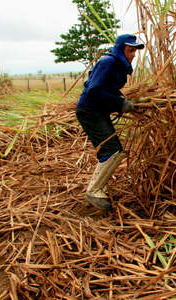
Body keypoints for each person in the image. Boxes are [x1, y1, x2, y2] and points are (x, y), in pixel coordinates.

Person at [75, 34, 144, 210]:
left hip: (98, 111)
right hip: (89, 111)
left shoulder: (118, 66)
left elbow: (103, 88)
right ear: (121, 49)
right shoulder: (108, 62)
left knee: (113, 150)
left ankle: (100, 186)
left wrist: (123, 101)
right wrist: (120, 104)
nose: (133, 54)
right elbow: (93, 91)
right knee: (112, 150)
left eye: (135, 51)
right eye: (130, 50)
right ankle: (94, 191)